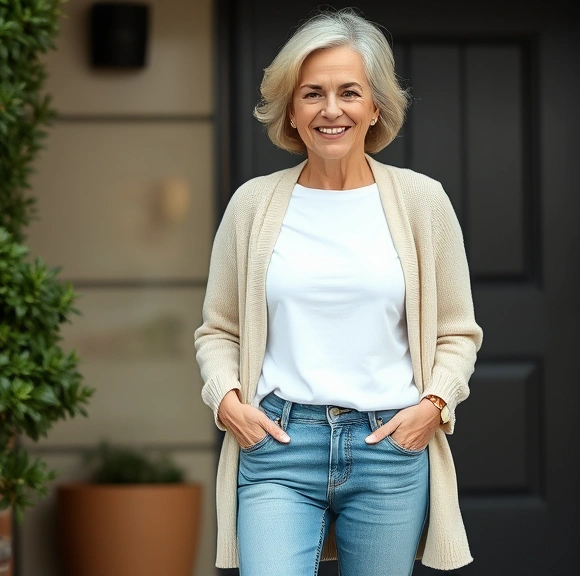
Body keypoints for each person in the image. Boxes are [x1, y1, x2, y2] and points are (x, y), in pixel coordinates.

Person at [194, 8, 482, 576]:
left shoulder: (423, 203)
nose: (331, 110)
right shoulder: (253, 205)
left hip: (388, 447)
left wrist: (433, 406)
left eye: (349, 92)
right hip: (277, 444)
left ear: (376, 106)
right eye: (312, 94)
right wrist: (226, 401)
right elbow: (219, 330)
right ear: (291, 111)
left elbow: (457, 331)